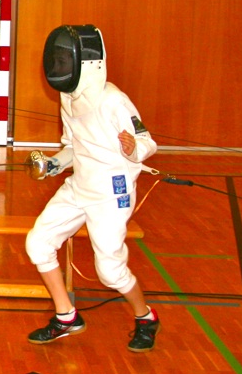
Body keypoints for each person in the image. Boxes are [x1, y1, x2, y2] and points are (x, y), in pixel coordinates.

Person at [25, 24, 160, 352]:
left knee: (110, 272)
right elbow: (73, 146)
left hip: (111, 193)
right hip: (79, 186)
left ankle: (146, 317)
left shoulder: (113, 100)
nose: (59, 67)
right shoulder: (68, 96)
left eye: (64, 60)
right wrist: (53, 164)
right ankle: (67, 316)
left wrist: (133, 149)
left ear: (85, 62)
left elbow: (147, 142)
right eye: (57, 60)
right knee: (38, 243)